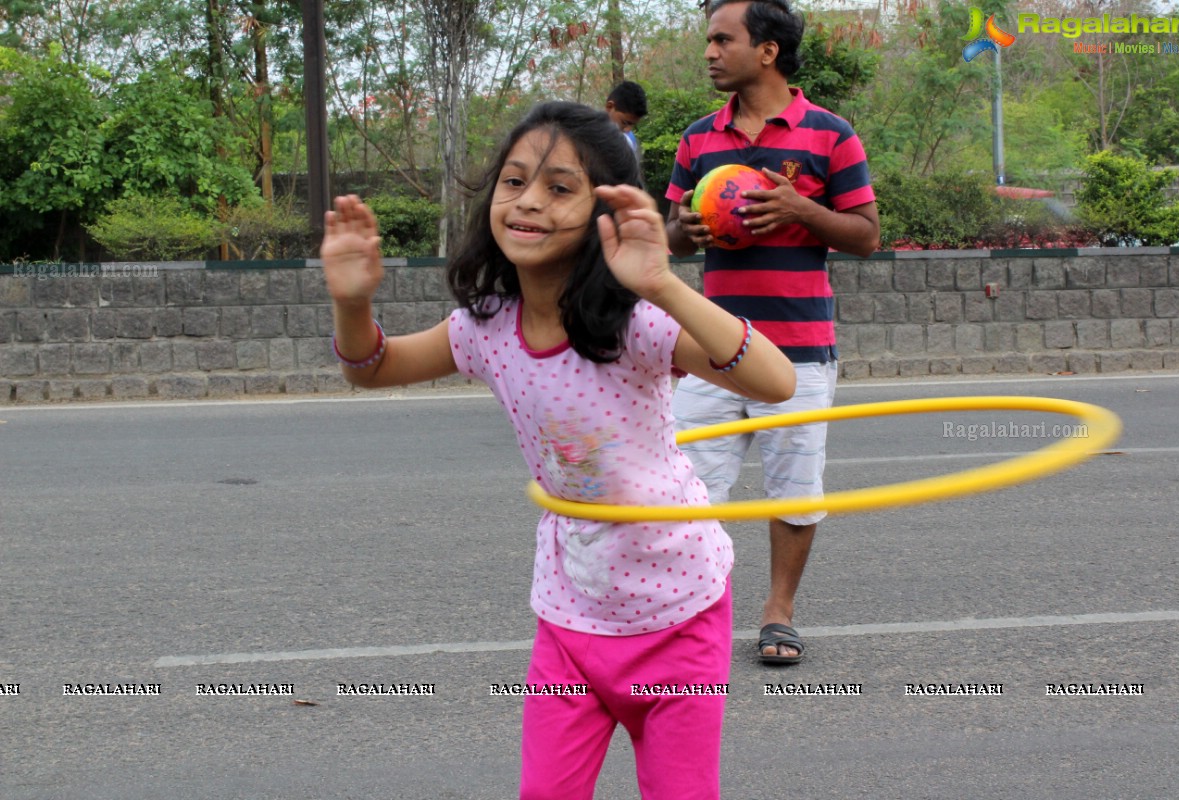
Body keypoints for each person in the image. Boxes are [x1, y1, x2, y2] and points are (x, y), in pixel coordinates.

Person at [322, 101, 795, 799]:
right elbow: (371, 369)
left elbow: (775, 380)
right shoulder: (485, 327)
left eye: (560, 188)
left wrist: (661, 281)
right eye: (514, 182)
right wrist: (353, 304)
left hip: (680, 611)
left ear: (605, 212)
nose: (529, 203)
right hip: (573, 609)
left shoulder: (635, 325)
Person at [665, 0, 880, 665]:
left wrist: (799, 208)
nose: (708, 51)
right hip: (712, 353)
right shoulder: (698, 138)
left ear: (766, 50)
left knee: (795, 488)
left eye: (720, 39)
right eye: (708, 40)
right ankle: (692, 616)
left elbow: (867, 236)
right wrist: (686, 231)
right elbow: (664, 237)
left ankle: (778, 613)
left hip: (799, 350)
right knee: (688, 488)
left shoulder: (829, 134)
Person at [605, 80, 648, 161]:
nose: (628, 130)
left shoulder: (629, 142)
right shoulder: (584, 135)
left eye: (632, 125)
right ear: (609, 107)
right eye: (624, 122)